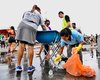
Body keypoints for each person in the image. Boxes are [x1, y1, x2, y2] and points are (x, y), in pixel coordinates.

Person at [15, 5, 46, 72]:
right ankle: (30, 67)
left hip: (22, 25)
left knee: (21, 45)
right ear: (39, 10)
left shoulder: (26, 12)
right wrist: (46, 32)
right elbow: (43, 27)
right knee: (30, 46)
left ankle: (18, 66)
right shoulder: (39, 14)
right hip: (32, 27)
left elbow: (23, 18)